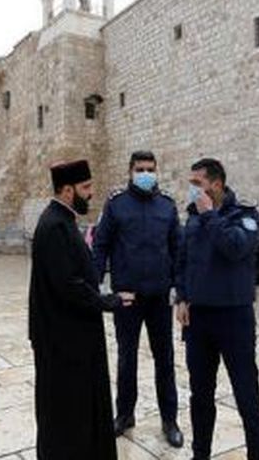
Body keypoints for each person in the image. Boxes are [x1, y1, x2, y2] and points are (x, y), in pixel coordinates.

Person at [28, 159, 135, 460]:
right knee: (65, 413)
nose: (91, 193)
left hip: (74, 338)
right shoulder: (53, 226)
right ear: (66, 190)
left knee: (81, 408)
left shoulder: (63, 220)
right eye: (85, 187)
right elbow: (68, 285)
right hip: (63, 342)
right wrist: (107, 301)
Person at [175, 158, 259, 460]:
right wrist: (182, 297)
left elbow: (236, 247)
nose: (192, 191)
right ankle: (199, 454)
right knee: (200, 396)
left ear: (216, 184)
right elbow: (183, 261)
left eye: (197, 184)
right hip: (199, 320)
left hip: (234, 318)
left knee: (246, 395)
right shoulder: (192, 218)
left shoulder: (244, 214)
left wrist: (209, 216)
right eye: (191, 184)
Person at [91, 150, 183, 447]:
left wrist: (181, 291)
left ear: (157, 171)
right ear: (130, 171)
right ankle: (125, 415)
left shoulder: (167, 206)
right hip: (127, 299)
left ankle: (169, 419)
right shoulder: (117, 204)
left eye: (150, 169)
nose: (146, 174)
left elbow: (178, 251)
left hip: (158, 299)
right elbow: (101, 245)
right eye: (141, 169)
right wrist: (94, 289)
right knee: (126, 360)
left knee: (165, 360)